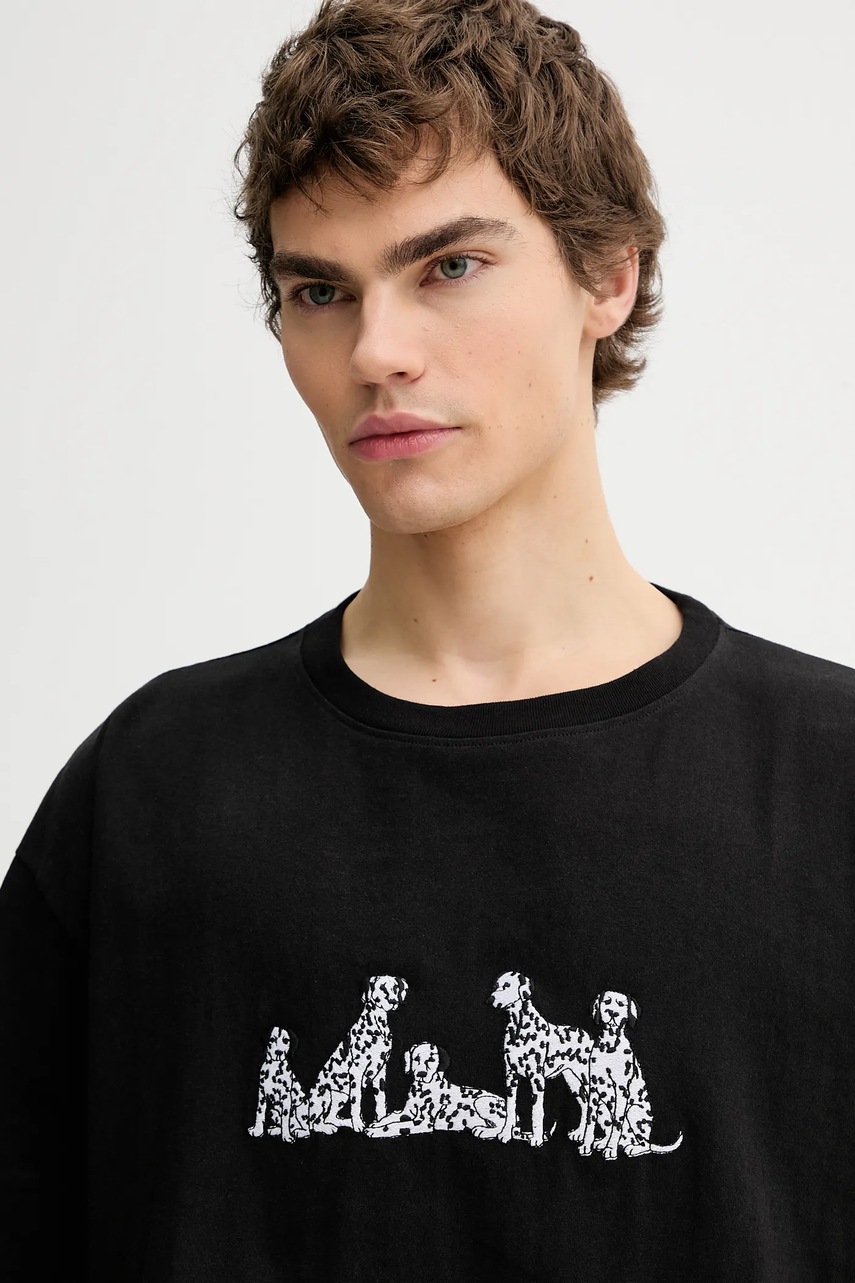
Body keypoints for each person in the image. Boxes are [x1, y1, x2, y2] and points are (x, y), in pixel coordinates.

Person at [2, 0, 853, 1278]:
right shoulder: (152, 792)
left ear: (607, 275)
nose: (376, 351)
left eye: (447, 266)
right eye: (319, 291)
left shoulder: (830, 783)